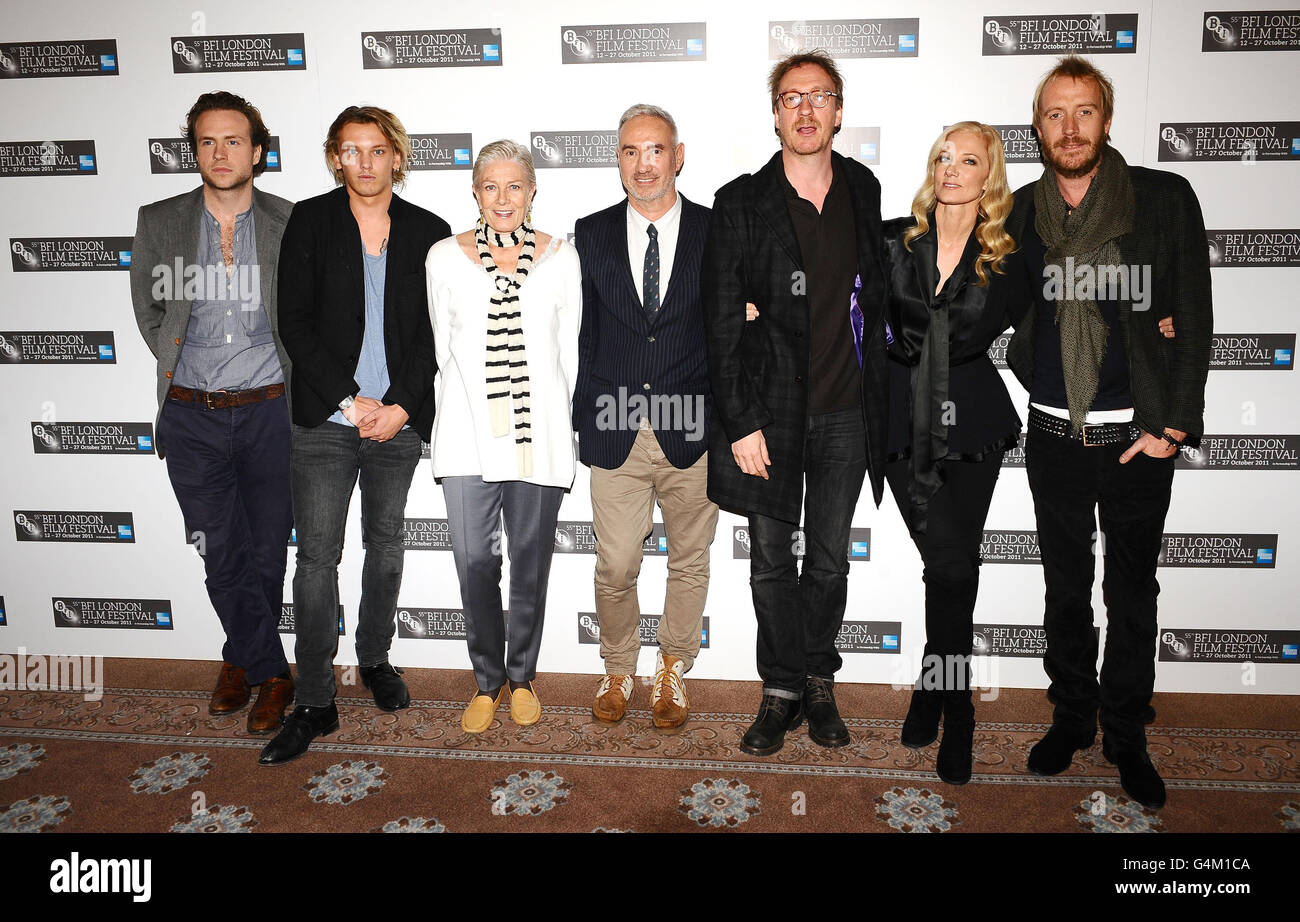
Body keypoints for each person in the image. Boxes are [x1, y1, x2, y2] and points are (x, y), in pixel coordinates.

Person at [1003, 56, 1212, 808]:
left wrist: (1173, 425)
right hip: (1056, 434)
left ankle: (1126, 732)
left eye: (1083, 111)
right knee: (1064, 590)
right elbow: (996, 302)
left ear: (1107, 119)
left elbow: (1192, 312)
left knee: (1132, 593)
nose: (1069, 127)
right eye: (1055, 114)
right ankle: (1072, 719)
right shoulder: (1021, 211)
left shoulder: (1161, 198)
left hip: (1137, 440)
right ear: (1038, 128)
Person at [703, 50, 890, 757]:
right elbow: (720, 324)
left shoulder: (865, 190)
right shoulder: (740, 202)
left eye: (819, 97)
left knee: (832, 560)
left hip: (847, 412)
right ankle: (779, 689)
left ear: (839, 111)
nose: (805, 110)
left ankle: (819, 679)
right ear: (775, 113)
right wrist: (742, 422)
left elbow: (875, 295)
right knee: (771, 560)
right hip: (769, 415)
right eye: (791, 98)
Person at [260, 106, 449, 765]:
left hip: (396, 424)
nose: (365, 162)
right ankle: (314, 699)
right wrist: (348, 399)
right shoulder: (310, 221)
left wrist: (398, 407)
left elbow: (436, 335)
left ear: (398, 156)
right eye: (351, 150)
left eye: (377, 149)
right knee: (316, 560)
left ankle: (374, 659)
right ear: (335, 157)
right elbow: (294, 321)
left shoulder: (431, 231)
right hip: (325, 420)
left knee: (388, 546)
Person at [129, 91, 296, 736]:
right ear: (193, 150)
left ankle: (238, 659)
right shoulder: (161, 222)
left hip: (269, 413)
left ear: (257, 150)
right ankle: (272, 672)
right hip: (191, 415)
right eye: (207, 141)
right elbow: (150, 311)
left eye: (234, 141)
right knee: (220, 550)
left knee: (265, 553)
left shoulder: (289, 222)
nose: (221, 153)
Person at [425, 140, 581, 734]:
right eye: (491, 186)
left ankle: (521, 678)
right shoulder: (443, 258)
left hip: (537, 439)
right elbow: (443, 349)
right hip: (466, 436)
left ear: (533, 191)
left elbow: (567, 356)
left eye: (514, 185)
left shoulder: (561, 258)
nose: (503, 198)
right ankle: (485, 681)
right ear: (475, 192)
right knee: (473, 561)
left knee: (530, 564)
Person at [880, 122, 1019, 785]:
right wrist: (759, 307)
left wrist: (1158, 319)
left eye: (969, 160)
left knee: (953, 568)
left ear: (989, 175)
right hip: (903, 425)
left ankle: (943, 697)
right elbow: (826, 301)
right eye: (944, 156)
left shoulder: (1012, 256)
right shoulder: (891, 241)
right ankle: (952, 699)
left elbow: (1062, 322)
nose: (953, 169)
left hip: (972, 423)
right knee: (951, 563)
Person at [573, 104, 716, 729]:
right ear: (619, 161)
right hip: (615, 424)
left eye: (654, 150)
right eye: (630, 152)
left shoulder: (718, 231)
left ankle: (672, 671)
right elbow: (577, 332)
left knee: (690, 557)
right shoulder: (590, 233)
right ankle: (618, 666)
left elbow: (731, 324)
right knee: (617, 562)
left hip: (693, 425)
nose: (643, 164)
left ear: (677, 156)